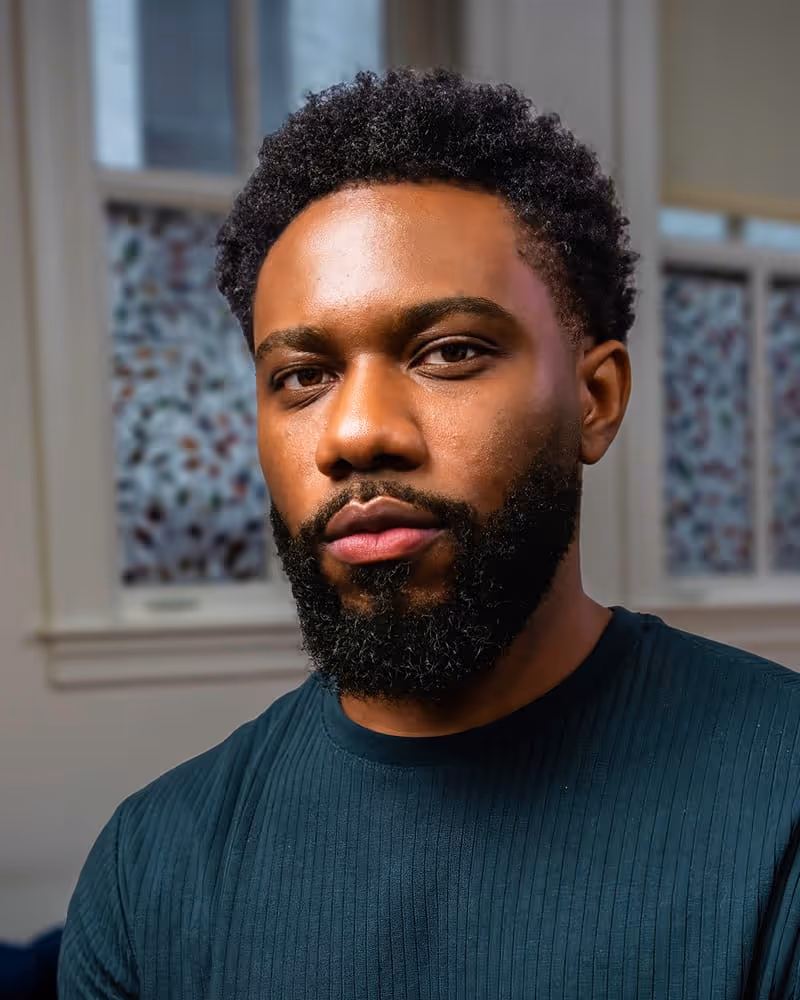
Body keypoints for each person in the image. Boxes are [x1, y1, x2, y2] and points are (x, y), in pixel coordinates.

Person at [58, 69, 800, 999]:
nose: (358, 432)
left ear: (595, 399)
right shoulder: (148, 873)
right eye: (301, 376)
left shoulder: (783, 810)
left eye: (448, 353)